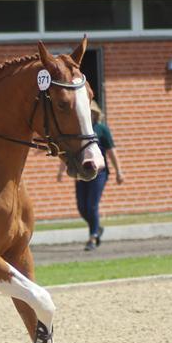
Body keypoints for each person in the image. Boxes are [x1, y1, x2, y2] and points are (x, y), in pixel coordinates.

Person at [58, 103, 124, 251]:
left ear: (96, 113)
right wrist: (61, 171)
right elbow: (70, 152)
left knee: (92, 205)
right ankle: (97, 227)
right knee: (82, 207)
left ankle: (93, 237)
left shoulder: (102, 129)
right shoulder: (78, 130)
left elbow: (111, 151)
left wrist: (119, 170)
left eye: (91, 112)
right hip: (82, 172)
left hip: (99, 173)